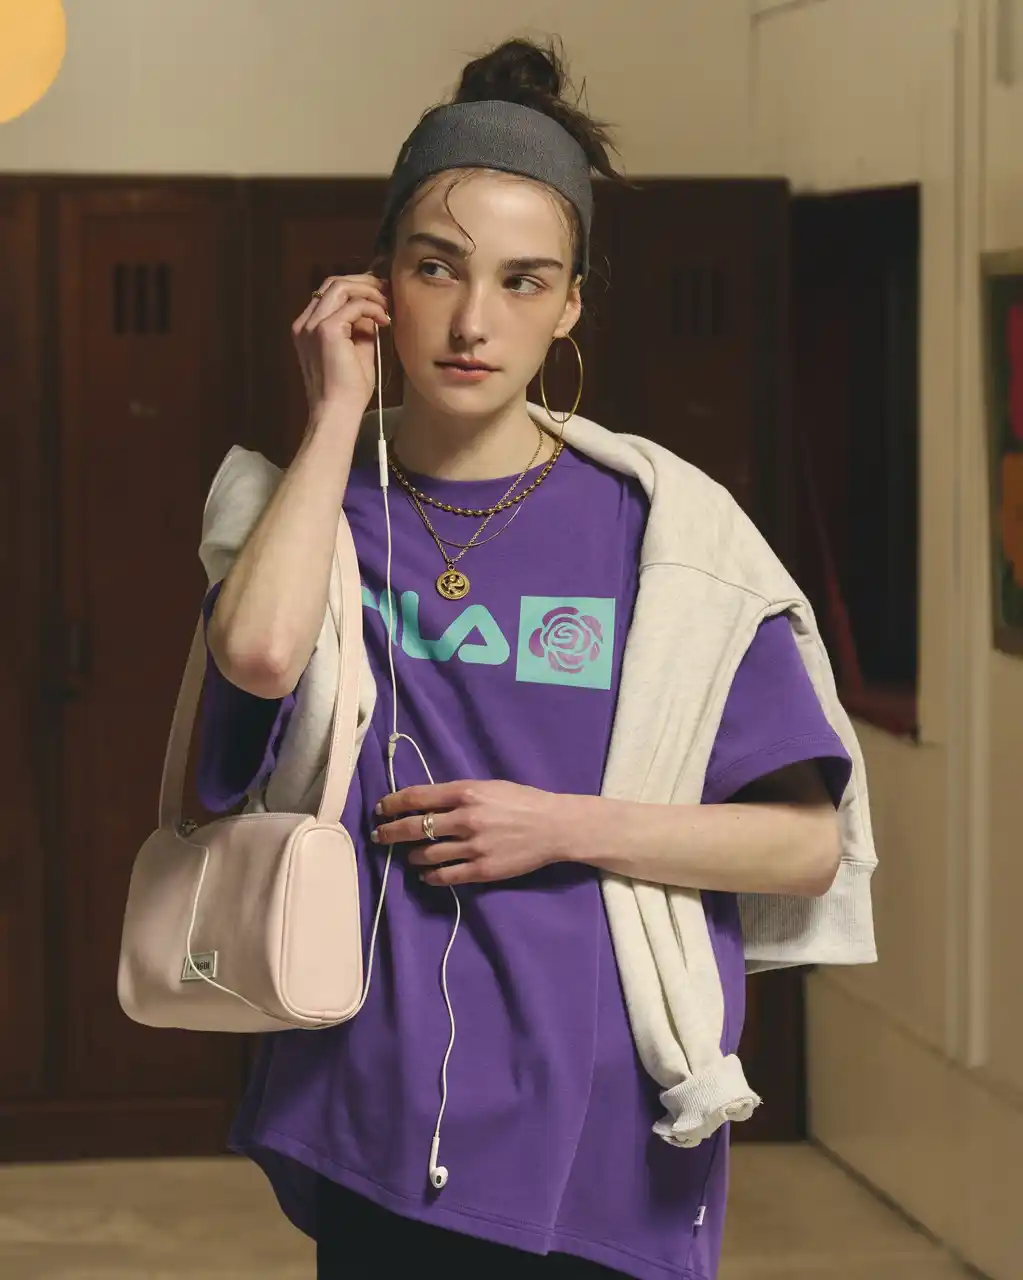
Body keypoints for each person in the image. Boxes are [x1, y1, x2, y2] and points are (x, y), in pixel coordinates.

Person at [195, 37, 871, 1280]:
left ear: (569, 306)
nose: (472, 321)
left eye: (523, 281)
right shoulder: (313, 511)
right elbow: (259, 653)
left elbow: (803, 845)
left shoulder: (667, 535)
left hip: (608, 1105)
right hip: (381, 1090)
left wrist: (559, 824)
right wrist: (334, 413)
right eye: (435, 268)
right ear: (377, 284)